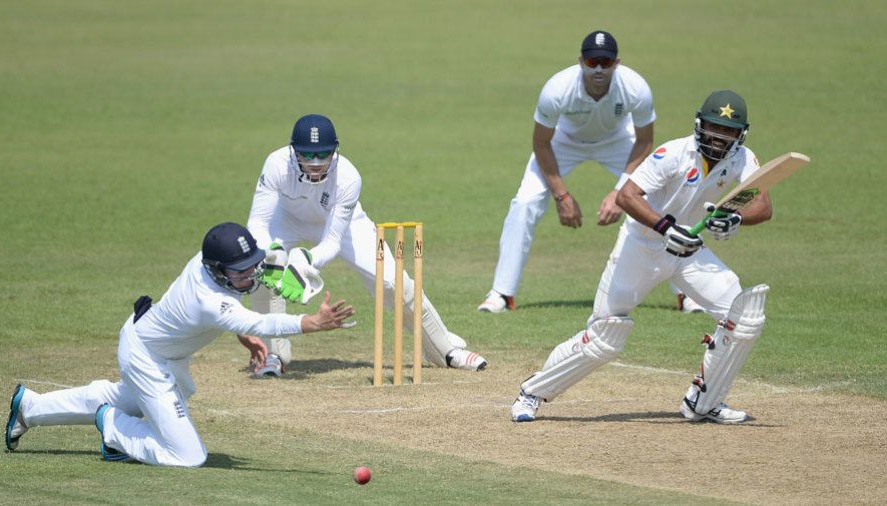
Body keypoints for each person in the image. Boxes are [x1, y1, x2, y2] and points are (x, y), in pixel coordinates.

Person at [510, 90, 773, 424]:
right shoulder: (673, 154)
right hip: (642, 247)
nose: (719, 138)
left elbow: (763, 205)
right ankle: (531, 393)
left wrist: (735, 217)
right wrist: (665, 227)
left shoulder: (742, 159)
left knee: (745, 316)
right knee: (605, 337)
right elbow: (627, 196)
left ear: (741, 134)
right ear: (699, 125)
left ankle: (704, 403)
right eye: (713, 128)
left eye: (728, 132)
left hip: (689, 253)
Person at [5, 222, 355, 466]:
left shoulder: (205, 265)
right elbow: (255, 320)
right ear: (218, 270)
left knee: (134, 397)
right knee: (189, 456)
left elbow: (236, 313)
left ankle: (30, 408)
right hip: (146, 356)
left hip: (156, 347)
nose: (250, 276)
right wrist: (312, 323)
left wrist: (241, 328)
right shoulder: (208, 299)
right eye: (240, 272)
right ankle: (114, 430)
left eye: (252, 266)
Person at [239, 114, 487, 378]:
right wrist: (273, 255)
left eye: (323, 154)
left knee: (395, 283)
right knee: (265, 271)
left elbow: (332, 242)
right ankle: (273, 355)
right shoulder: (276, 164)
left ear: (335, 150)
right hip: (286, 220)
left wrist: (306, 259)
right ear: (293, 151)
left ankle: (444, 350)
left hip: (345, 224)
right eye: (307, 155)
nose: (315, 163)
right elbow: (257, 223)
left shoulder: (348, 176)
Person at [478, 30, 664, 313]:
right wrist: (561, 196)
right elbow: (541, 143)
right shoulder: (557, 89)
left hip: (618, 142)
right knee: (524, 202)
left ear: (617, 63)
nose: (599, 69)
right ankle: (501, 294)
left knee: (661, 200)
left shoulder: (636, 88)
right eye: (592, 63)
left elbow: (645, 142)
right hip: (563, 143)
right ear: (581, 62)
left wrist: (620, 192)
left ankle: (687, 296)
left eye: (605, 62)